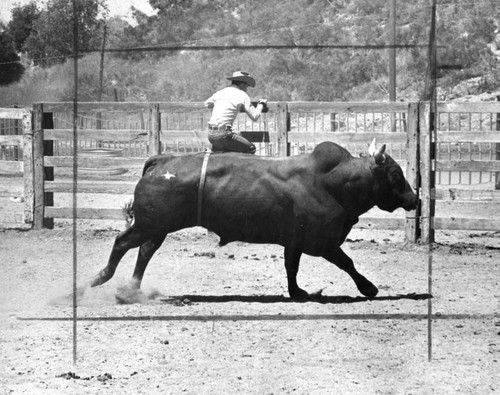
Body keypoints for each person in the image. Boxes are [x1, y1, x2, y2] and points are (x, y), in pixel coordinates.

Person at [204, 71, 267, 154]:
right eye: (246, 86)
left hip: (211, 135)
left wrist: (221, 104)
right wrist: (261, 104)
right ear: (242, 84)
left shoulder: (220, 92)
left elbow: (207, 104)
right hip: (224, 135)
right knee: (250, 148)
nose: (246, 89)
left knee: (223, 152)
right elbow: (254, 116)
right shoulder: (242, 95)